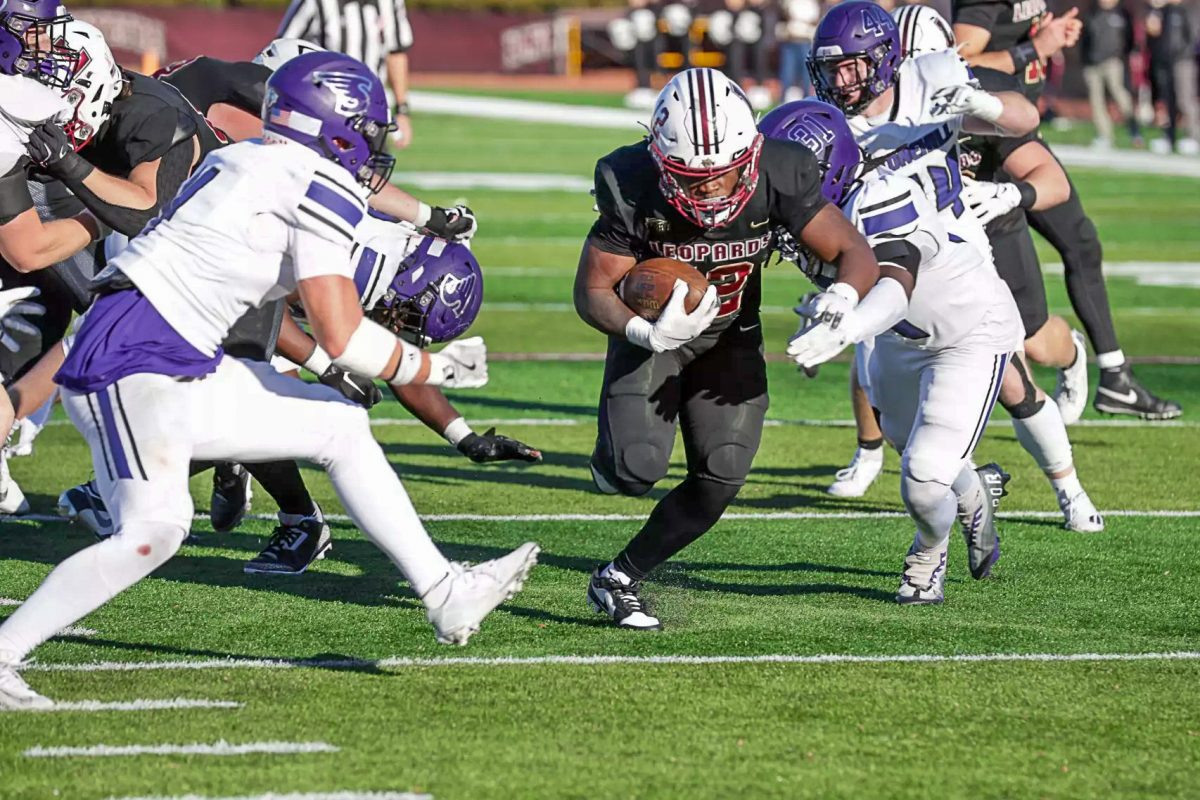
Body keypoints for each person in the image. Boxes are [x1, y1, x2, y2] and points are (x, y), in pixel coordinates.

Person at [0, 51, 541, 710]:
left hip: (167, 352)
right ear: (335, 128)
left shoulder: (248, 157)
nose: (370, 148)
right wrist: (439, 367)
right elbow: (341, 336)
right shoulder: (316, 183)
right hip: (133, 358)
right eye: (365, 132)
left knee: (338, 424)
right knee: (156, 530)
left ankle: (446, 592)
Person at [576, 67, 884, 630]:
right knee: (634, 469)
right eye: (694, 179)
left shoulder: (781, 169)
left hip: (730, 335)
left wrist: (842, 301)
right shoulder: (630, 179)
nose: (712, 189)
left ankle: (618, 577)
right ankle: (610, 459)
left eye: (723, 174)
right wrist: (643, 332)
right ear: (661, 161)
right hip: (654, 340)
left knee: (721, 473)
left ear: (751, 153)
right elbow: (593, 290)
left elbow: (853, 250)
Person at [762, 99, 1021, 602]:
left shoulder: (879, 195)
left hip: (968, 332)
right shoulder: (806, 207)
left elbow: (896, 281)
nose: (772, 183)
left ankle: (928, 552)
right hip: (901, 339)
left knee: (923, 479)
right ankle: (974, 492)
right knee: (912, 449)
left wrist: (848, 325)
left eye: (785, 170)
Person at [952, 0, 1182, 419]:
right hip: (983, 150)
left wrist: (1042, 36)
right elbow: (956, 59)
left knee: (1081, 244)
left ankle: (1113, 374)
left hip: (1014, 142)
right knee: (1025, 334)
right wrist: (1035, 47)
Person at [276, 0, 415, 149]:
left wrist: (402, 109)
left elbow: (395, 53)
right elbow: (283, 51)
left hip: (371, 114)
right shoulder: (314, 3)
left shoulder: (389, 3)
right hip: (322, 111)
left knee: (373, 168)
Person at [1081, 0, 1142, 149]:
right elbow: (1085, 37)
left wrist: (1124, 56)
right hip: (1092, 63)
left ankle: (1133, 128)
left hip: (1113, 61)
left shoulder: (1122, 13)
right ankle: (1105, 135)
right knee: (1096, 100)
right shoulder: (1091, 12)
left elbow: (1130, 38)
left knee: (1119, 93)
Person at [1146, 0, 1200, 155]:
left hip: (1183, 61)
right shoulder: (1165, 11)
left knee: (1185, 99)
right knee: (1169, 101)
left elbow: (1192, 36)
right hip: (1166, 61)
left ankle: (1194, 136)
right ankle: (1169, 137)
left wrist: (1183, 54)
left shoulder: (1187, 10)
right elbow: (1156, 33)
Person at [778, 0, 821, 102]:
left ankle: (806, 99)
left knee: (806, 74)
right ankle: (783, 100)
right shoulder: (788, 3)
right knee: (787, 73)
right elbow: (783, 16)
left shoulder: (811, 3)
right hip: (790, 40)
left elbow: (814, 19)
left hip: (805, 41)